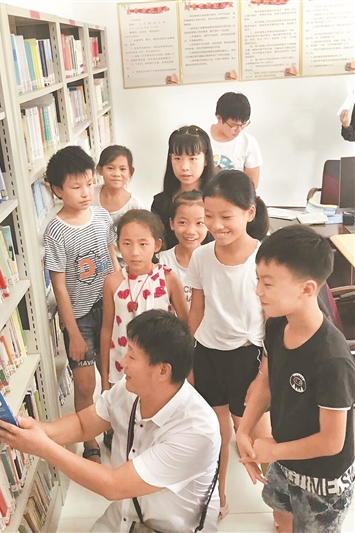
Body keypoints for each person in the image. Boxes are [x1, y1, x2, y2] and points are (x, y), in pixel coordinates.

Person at [0, 310, 221, 533]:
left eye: (132, 356)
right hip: (125, 518)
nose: (122, 362)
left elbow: (113, 485)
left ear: (163, 371)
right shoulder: (129, 389)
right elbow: (83, 424)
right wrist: (39, 430)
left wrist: (43, 448)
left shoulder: (197, 431)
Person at [237, 225, 355, 533]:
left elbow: (331, 441)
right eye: (258, 280)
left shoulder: (332, 359)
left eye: (268, 283)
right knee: (281, 517)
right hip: (284, 456)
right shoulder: (277, 324)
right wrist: (243, 431)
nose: (258, 291)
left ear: (307, 289)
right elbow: (265, 382)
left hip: (322, 480)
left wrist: (273, 451)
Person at [186, 169, 271, 519]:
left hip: (247, 359)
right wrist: (187, 359)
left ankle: (281, 504)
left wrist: (264, 373)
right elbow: (197, 310)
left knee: (256, 436)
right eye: (208, 216)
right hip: (207, 355)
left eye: (226, 216)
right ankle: (217, 496)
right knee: (216, 435)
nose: (215, 225)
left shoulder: (264, 258)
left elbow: (272, 320)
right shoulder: (201, 257)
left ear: (249, 213)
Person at [43, 145, 119, 463]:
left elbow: (113, 259)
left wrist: (123, 297)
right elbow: (59, 287)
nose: (86, 192)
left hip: (111, 309)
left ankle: (113, 428)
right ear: (57, 189)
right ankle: (90, 441)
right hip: (81, 318)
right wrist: (72, 332)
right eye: (76, 187)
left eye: (89, 183)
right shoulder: (55, 232)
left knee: (111, 379)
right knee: (86, 385)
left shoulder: (102, 216)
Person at [101, 209, 188, 391]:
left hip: (161, 365)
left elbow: (185, 326)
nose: (135, 252)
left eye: (143, 244)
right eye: (127, 243)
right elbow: (107, 329)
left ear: (156, 245)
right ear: (118, 245)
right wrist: (104, 378)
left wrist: (187, 371)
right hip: (123, 365)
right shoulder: (112, 282)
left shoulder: (168, 279)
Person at [151, 125, 214, 249]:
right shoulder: (161, 203)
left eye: (193, 158)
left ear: (206, 160)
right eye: (178, 158)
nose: (184, 167)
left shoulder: (218, 200)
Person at [158, 190, 208, 307]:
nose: (190, 231)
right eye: (182, 222)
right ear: (172, 223)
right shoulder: (161, 261)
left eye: (199, 223)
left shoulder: (215, 260)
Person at [210, 92, 263, 189]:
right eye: (233, 125)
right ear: (219, 118)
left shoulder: (249, 142)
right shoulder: (202, 138)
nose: (238, 130)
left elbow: (252, 185)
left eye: (243, 125)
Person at [93, 145, 143, 223]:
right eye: (110, 168)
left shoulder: (135, 206)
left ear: (131, 172)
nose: (116, 174)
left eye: (122, 169)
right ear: (100, 169)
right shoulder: (90, 194)